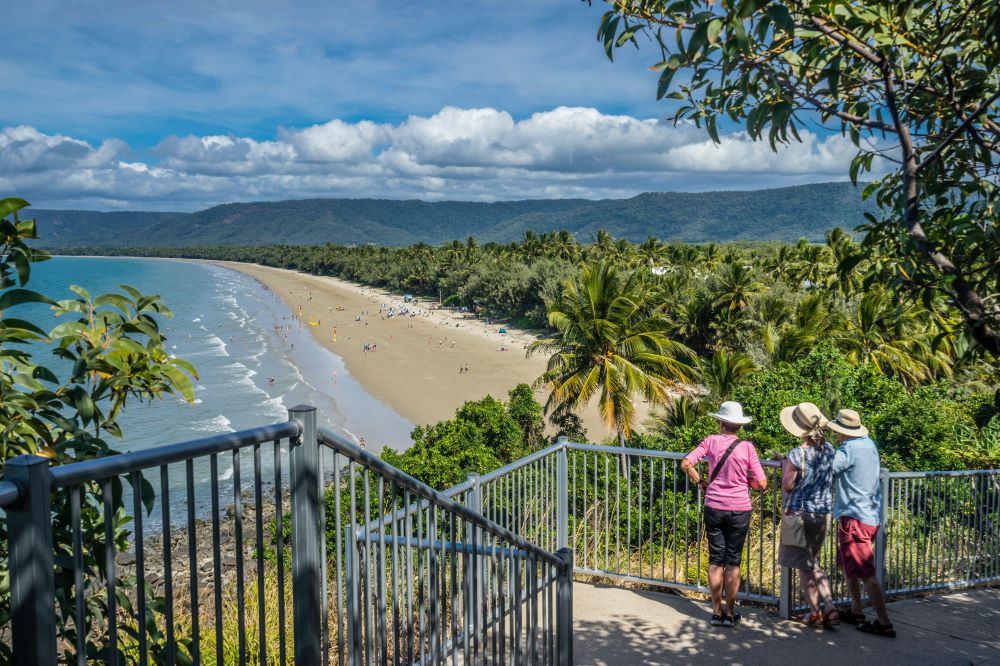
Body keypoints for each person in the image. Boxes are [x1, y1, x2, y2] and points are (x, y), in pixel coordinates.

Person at [682, 401, 767, 628]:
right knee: (733, 562)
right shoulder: (747, 447)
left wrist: (700, 481)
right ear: (738, 425)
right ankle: (730, 612)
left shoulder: (711, 441)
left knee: (715, 560)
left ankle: (716, 611)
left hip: (714, 506)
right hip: (739, 509)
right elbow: (761, 483)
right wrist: (745, 481)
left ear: (720, 422)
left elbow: (686, 463)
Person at [829, 409, 895, 637]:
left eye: (837, 432)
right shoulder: (869, 445)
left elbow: (827, 468)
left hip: (854, 517)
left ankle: (884, 622)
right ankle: (856, 610)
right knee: (850, 565)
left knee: (866, 572)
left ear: (843, 432)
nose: (836, 435)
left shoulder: (847, 450)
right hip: (870, 514)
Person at [777, 402, 839, 626]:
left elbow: (788, 485)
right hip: (822, 514)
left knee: (805, 566)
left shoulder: (797, 454)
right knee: (813, 561)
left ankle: (814, 612)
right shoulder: (829, 450)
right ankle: (830, 606)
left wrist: (785, 464)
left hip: (799, 515)